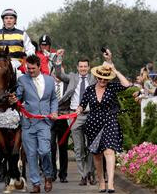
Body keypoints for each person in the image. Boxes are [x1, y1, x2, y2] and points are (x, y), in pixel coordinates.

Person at [76, 51, 131, 193]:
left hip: (109, 121)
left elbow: (127, 84)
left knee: (109, 151)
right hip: (93, 124)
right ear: (96, 77)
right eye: (100, 78)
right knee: (97, 155)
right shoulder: (89, 89)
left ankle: (111, 183)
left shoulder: (112, 87)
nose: (102, 81)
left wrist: (114, 70)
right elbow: (82, 104)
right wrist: (79, 109)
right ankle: (101, 181)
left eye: (105, 79)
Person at [9, 54, 58, 193]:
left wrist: (54, 111)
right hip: (28, 123)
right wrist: (13, 99)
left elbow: (53, 99)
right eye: (28, 68)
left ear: (39, 67)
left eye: (32, 69)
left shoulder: (49, 81)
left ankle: (48, 176)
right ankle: (36, 184)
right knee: (31, 155)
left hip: (44, 122)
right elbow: (18, 96)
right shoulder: (22, 80)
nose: (30, 71)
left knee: (45, 151)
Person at [54, 51, 97, 186]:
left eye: (85, 66)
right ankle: (83, 175)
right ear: (77, 67)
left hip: (91, 115)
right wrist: (59, 58)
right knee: (79, 149)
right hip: (75, 116)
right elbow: (59, 74)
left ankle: (90, 172)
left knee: (91, 147)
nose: (83, 69)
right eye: (81, 66)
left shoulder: (94, 78)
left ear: (88, 68)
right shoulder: (72, 77)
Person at [0, 8, 35, 75]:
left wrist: (23, 54)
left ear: (15, 20)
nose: (8, 20)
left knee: (24, 84)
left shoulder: (22, 34)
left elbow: (32, 50)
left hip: (17, 66)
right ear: (3, 20)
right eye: (6, 18)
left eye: (11, 18)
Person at [50, 76, 69, 183]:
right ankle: (52, 173)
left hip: (64, 120)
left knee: (63, 148)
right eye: (55, 74)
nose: (57, 76)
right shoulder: (49, 86)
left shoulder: (68, 85)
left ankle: (63, 174)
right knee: (51, 146)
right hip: (51, 120)